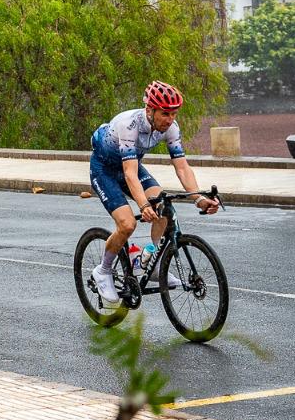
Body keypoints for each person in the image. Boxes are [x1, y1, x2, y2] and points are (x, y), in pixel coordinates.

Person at [88, 81, 220, 304]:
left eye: (174, 114)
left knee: (164, 206)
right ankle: (103, 270)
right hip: (105, 171)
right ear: (150, 110)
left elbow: (182, 167)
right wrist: (143, 205)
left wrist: (198, 198)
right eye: (165, 113)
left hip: (131, 167)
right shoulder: (129, 124)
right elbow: (129, 175)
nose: (170, 120)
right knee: (127, 224)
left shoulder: (171, 128)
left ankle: (154, 264)